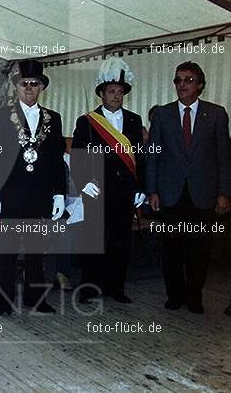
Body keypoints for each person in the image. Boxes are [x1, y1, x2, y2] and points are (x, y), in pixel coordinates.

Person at [146, 61, 231, 314]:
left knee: (199, 250)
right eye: (178, 80)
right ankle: (175, 294)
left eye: (188, 80)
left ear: (200, 85)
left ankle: (195, 296)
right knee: (171, 249)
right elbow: (153, 155)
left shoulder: (216, 114)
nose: (182, 84)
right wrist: (152, 190)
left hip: (203, 195)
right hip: (170, 194)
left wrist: (224, 192)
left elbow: (223, 157)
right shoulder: (162, 114)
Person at [0, 60, 67, 315]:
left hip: (39, 194)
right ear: (16, 87)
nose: (29, 88)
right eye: (24, 84)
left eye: (34, 84)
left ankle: (35, 298)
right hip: (10, 193)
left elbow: (56, 159)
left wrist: (60, 194)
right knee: (8, 251)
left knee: (35, 251)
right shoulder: (1, 117)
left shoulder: (53, 118)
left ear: (41, 87)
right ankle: (5, 300)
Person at [71, 58, 146, 304]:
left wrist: (141, 187)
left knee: (121, 241)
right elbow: (78, 158)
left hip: (124, 190)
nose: (116, 95)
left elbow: (140, 156)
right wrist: (83, 183)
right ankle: (90, 286)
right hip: (97, 189)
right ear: (101, 94)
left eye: (120, 92)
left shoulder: (134, 121)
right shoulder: (87, 121)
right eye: (111, 91)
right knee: (93, 239)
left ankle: (117, 287)